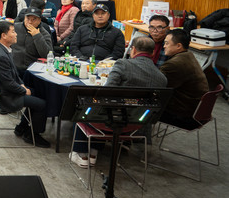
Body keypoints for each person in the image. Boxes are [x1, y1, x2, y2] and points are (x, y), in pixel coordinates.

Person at [70, 36, 167, 168]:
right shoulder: (162, 78)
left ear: (133, 50)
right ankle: (94, 151)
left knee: (84, 108)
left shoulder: (123, 64)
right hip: (138, 126)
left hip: (111, 121)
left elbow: (106, 93)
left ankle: (82, 154)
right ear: (153, 52)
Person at [0, 20, 50, 148]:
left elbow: (13, 74)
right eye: (13, 32)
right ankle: (33, 135)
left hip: (7, 90)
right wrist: (24, 90)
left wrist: (22, 85)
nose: (16, 34)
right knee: (42, 104)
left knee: (38, 92)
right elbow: (8, 83)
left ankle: (22, 127)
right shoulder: (0, 56)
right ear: (4, 35)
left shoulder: (0, 49)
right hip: (6, 96)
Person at [159, 30, 210, 127]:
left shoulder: (175, 64)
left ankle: (138, 135)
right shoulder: (188, 55)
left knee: (140, 106)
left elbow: (158, 86)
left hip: (185, 116)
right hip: (197, 111)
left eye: (167, 43)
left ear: (178, 46)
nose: (164, 46)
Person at [11, 7, 53, 73]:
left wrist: (37, 36)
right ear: (24, 18)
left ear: (39, 20)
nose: (30, 22)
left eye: (34, 19)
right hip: (13, 66)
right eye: (28, 18)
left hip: (31, 70)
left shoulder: (44, 33)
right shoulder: (15, 28)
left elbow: (47, 54)